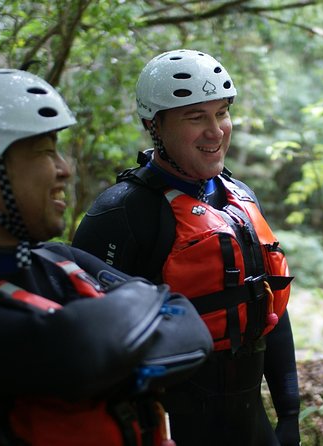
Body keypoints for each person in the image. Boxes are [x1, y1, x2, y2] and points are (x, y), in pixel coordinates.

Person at [0, 68, 213, 445]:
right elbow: (74, 351)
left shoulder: (59, 259)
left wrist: (105, 360)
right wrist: (146, 297)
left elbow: (191, 329)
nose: (65, 169)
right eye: (44, 152)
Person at [72, 49, 301, 445]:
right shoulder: (121, 213)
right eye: (196, 117)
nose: (216, 131)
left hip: (250, 423)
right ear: (154, 125)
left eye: (222, 113)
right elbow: (87, 348)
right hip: (167, 427)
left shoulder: (240, 198)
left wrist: (290, 413)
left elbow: (269, 308)